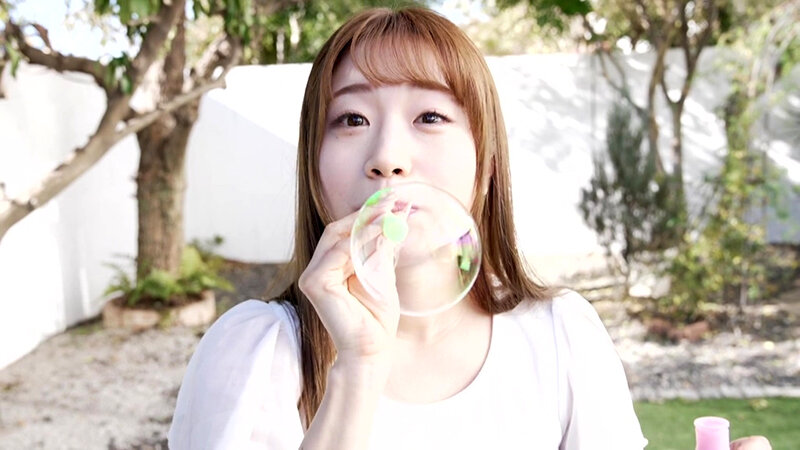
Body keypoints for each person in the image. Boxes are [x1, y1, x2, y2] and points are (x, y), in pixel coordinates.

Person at [168, 7, 771, 450]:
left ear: (485, 167)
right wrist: (357, 367)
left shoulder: (561, 338)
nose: (388, 157)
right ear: (313, 167)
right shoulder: (256, 353)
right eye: (351, 118)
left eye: (430, 115)